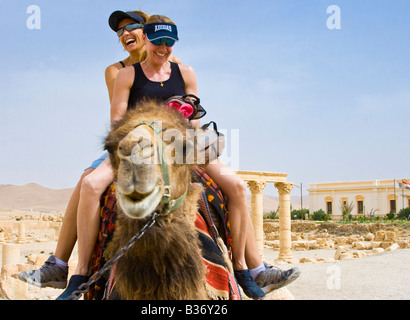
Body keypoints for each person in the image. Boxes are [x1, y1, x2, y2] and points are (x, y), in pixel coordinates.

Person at [110, 14, 300, 300]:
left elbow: (196, 119)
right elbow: (117, 122)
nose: (163, 47)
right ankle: (78, 274)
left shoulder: (185, 72)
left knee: (235, 186)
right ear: (147, 39)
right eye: (158, 41)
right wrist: (151, 127)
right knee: (91, 188)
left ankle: (248, 269)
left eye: (169, 42)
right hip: (141, 148)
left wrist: (184, 116)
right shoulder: (126, 74)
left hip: (182, 145)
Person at [18, 10, 180, 296]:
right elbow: (121, 118)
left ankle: (247, 265)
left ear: (149, 31)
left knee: (223, 185)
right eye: (119, 32)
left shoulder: (173, 64)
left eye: (132, 27)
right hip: (132, 140)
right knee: (87, 180)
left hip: (172, 140)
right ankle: (60, 265)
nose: (125, 34)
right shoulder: (115, 71)